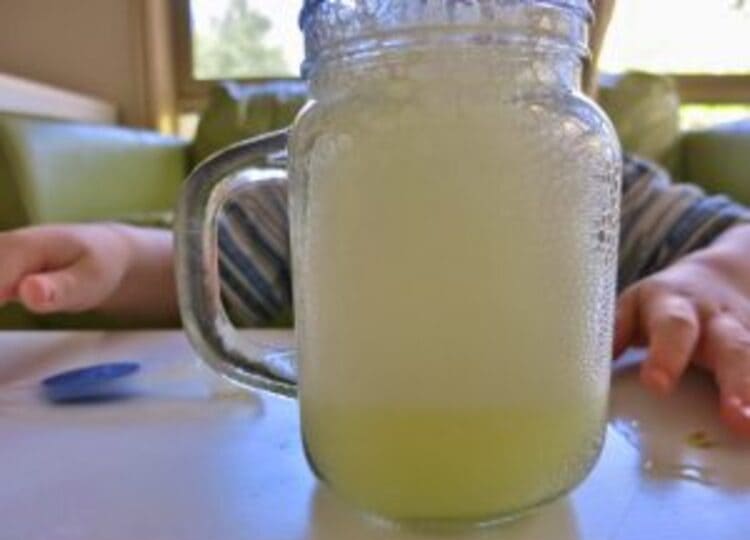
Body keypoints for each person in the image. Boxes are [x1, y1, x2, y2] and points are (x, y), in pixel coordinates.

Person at [2, 0, 750, 437]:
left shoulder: (605, 177)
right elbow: (208, 257)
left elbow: (737, 236)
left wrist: (714, 274)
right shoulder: (343, 163)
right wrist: (106, 252)